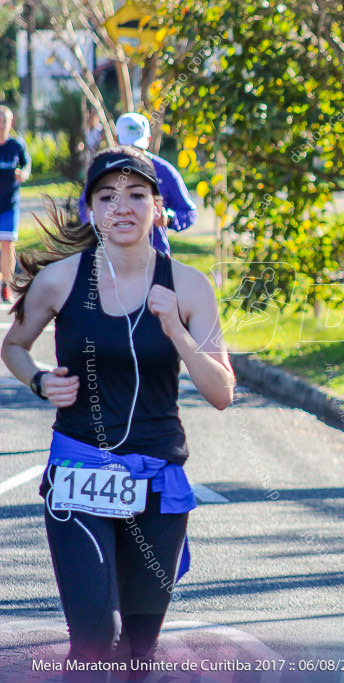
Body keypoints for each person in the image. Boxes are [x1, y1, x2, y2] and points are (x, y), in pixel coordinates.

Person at [1, 146, 234, 678]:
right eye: (107, 197)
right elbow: (13, 345)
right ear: (90, 209)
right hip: (79, 472)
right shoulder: (60, 280)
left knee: (138, 650)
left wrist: (175, 328)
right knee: (93, 640)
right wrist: (39, 380)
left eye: (135, 195)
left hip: (157, 481)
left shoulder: (190, 285)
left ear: (157, 205)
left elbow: (222, 392)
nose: (121, 208)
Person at [77, 113, 197, 255]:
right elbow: (85, 207)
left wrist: (169, 218)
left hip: (155, 262)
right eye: (128, 147)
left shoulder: (165, 172)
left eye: (138, 148)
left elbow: (189, 212)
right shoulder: (104, 171)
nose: (134, 154)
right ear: (116, 140)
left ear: (148, 140)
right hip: (112, 261)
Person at [0, 105, 31, 303]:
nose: (1, 125)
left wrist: (24, 174)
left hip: (9, 205)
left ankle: (7, 286)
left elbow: (27, 165)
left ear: (10, 124)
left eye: (4, 121)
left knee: (7, 245)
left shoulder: (16, 146)